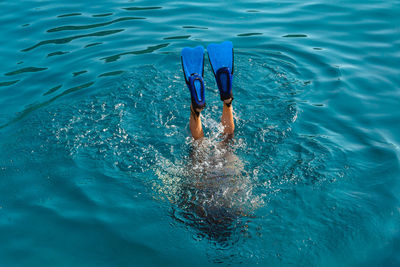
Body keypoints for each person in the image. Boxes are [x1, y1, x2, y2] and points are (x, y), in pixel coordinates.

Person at [181, 41, 234, 140]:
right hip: (227, 156)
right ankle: (227, 99)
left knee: (200, 144)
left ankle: (197, 108)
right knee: (227, 142)